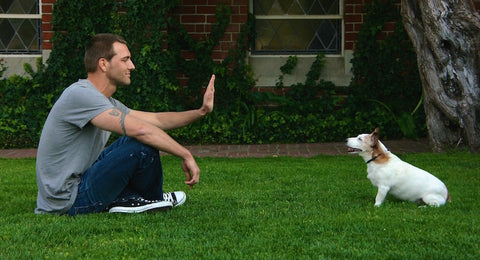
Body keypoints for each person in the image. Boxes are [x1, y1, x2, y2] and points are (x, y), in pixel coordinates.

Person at [35, 33, 215, 215]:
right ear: (103, 64)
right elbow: (142, 130)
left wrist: (201, 111)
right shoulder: (80, 95)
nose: (132, 66)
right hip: (69, 200)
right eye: (125, 60)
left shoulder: (104, 101)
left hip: (80, 184)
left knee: (136, 140)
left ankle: (136, 199)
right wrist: (186, 154)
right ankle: (147, 199)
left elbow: (156, 120)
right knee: (141, 142)